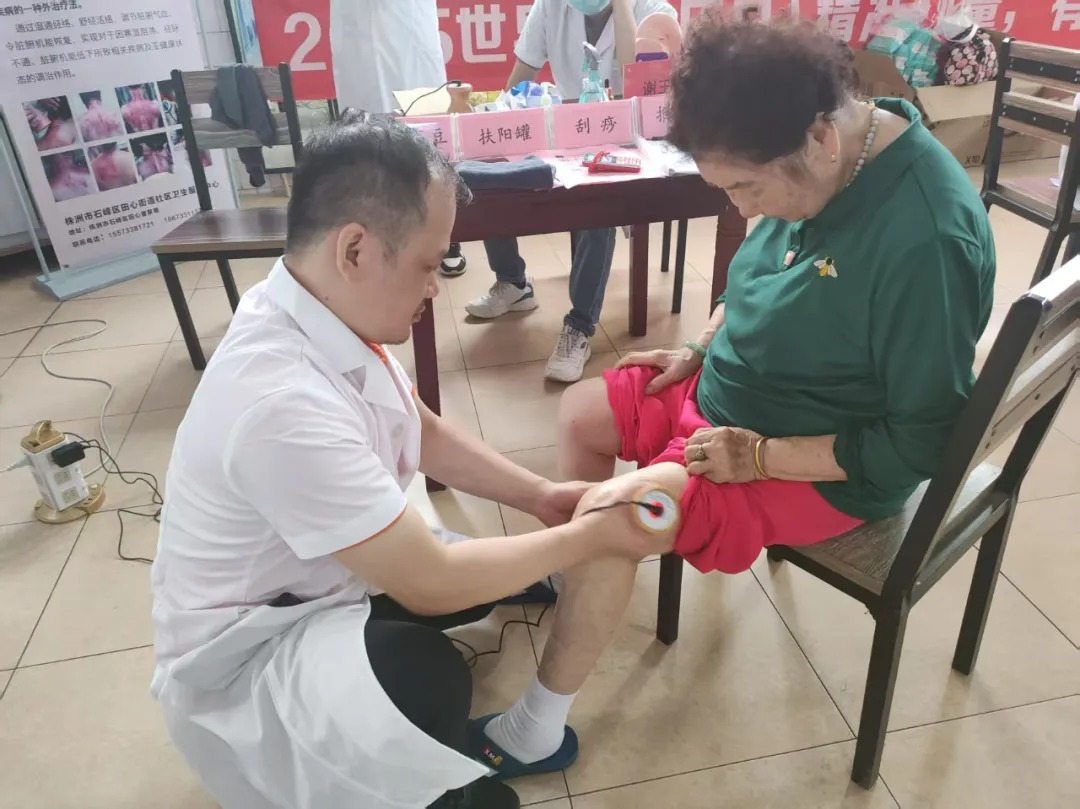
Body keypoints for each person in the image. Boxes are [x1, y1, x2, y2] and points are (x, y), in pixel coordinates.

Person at [469, 12, 996, 777]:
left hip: (813, 458)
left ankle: (536, 729)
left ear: (820, 139)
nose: (743, 209)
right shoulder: (826, 154)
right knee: (582, 412)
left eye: (746, 186)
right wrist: (702, 344)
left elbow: (923, 440)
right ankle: (568, 574)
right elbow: (754, 278)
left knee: (616, 518)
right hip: (730, 394)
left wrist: (760, 457)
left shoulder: (926, 239)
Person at [148, 112, 677, 809]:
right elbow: (430, 582)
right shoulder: (278, 402)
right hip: (247, 654)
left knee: (477, 582)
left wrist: (542, 497)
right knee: (429, 675)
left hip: (312, 577)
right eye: (430, 264)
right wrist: (588, 535)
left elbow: (417, 426)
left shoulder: (311, 304)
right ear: (356, 249)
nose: (436, 287)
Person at [465, 0, 677, 383]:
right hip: (567, 127)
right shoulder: (552, 5)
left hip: (628, 138)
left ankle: (579, 325)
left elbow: (633, 81)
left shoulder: (654, 11)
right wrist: (495, 125)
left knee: (597, 203)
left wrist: (622, 6)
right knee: (489, 173)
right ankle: (513, 282)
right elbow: (523, 70)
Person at [329, 0, 466, 278]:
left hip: (409, 24)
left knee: (426, 127)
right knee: (364, 137)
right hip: (358, 31)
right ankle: (375, 237)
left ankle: (445, 236)